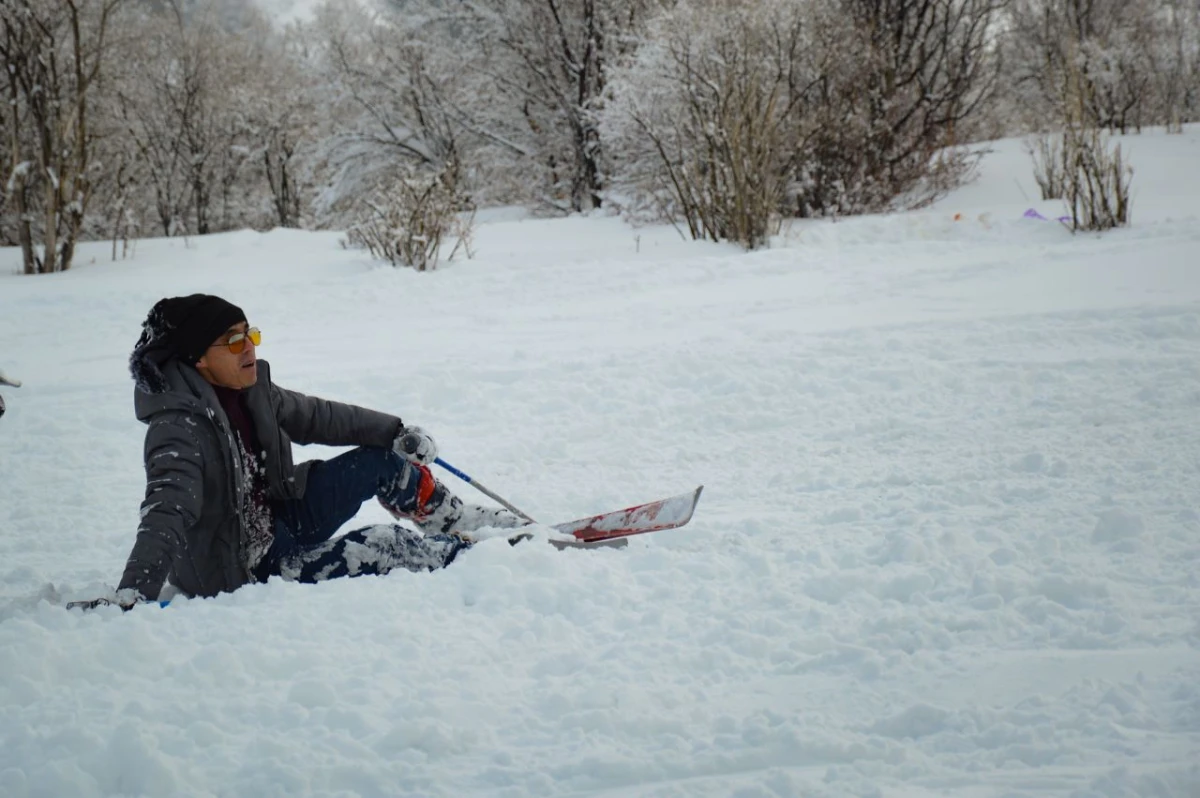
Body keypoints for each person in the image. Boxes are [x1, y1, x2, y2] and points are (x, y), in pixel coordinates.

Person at [80, 294, 524, 610]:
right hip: (246, 567)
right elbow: (166, 508)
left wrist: (394, 431)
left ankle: (459, 523)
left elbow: (318, 416)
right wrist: (133, 591)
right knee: (384, 545)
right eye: (233, 342)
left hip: (281, 518)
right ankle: (477, 554)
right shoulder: (178, 427)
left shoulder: (252, 390)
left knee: (383, 462)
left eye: (249, 334)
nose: (249, 347)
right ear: (198, 358)